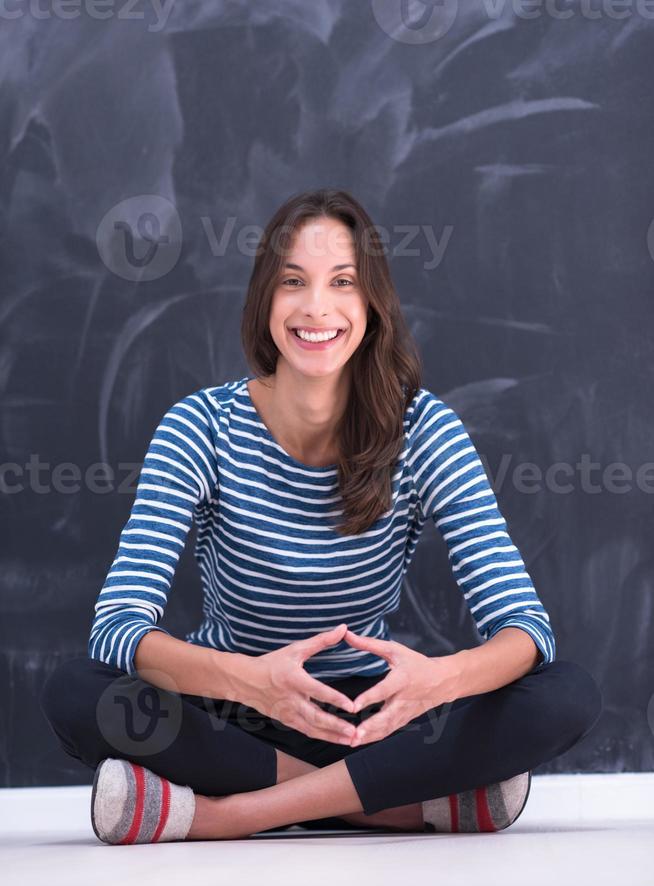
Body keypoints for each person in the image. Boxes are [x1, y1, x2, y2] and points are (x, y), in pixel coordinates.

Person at [39, 188, 602, 844]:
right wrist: (253, 682)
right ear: (264, 301)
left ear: (371, 304)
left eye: (342, 282)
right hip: (231, 707)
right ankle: (405, 806)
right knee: (78, 693)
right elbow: (117, 629)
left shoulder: (425, 431)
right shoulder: (198, 428)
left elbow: (526, 630)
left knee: (565, 694)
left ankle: (223, 815)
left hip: (372, 718)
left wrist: (434, 682)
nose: (316, 307)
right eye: (292, 283)